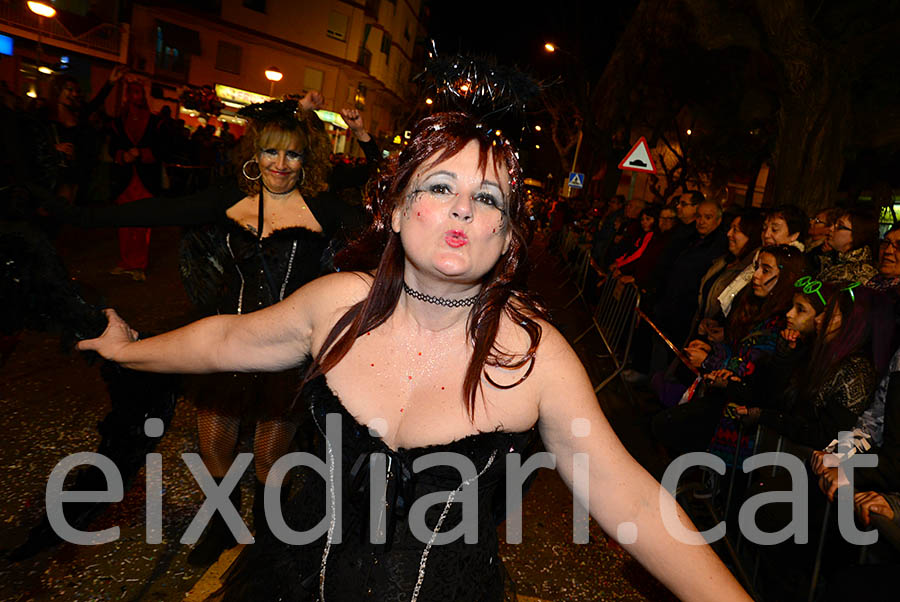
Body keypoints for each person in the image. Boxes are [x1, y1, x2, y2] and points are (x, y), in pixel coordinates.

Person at [78, 112, 750, 601]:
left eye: (488, 198)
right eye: (439, 187)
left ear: (507, 235)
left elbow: (626, 493)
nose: (463, 207)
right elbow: (227, 338)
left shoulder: (535, 358)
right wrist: (130, 351)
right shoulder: (336, 303)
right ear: (396, 211)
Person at [46, 93, 373, 566]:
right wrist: (69, 214)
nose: (280, 164)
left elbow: (386, 203)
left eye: (292, 153)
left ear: (307, 159)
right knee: (214, 444)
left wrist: (364, 139)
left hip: (285, 355)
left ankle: (267, 538)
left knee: (268, 456)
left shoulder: (324, 209)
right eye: (270, 151)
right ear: (253, 154)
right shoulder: (228, 201)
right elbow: (152, 211)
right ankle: (223, 526)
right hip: (222, 348)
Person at [108, 79, 161, 281]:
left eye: (139, 92)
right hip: (125, 181)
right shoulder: (118, 122)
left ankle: (139, 264)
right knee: (124, 223)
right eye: (132, 92)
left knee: (142, 223)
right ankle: (125, 261)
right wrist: (123, 156)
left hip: (145, 181)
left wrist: (142, 153)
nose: (135, 96)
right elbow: (113, 147)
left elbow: (162, 149)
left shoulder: (155, 122)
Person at [818, 207, 879, 284]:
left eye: (840, 226)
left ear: (856, 235)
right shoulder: (837, 260)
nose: (831, 228)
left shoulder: (859, 274)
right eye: (834, 224)